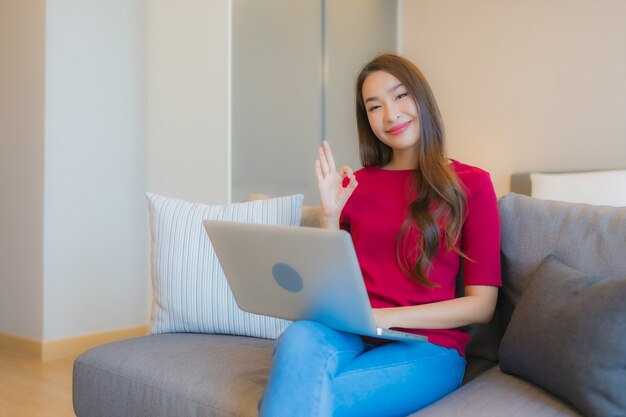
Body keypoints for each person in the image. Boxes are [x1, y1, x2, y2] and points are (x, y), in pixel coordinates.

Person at [258, 53, 501, 417]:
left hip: (427, 347)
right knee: (298, 337)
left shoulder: (471, 184)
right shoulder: (355, 185)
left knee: (306, 399)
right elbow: (331, 284)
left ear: (422, 98)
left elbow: (482, 305)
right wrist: (330, 214)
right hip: (350, 332)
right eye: (374, 107)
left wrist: (382, 316)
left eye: (400, 96)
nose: (390, 115)